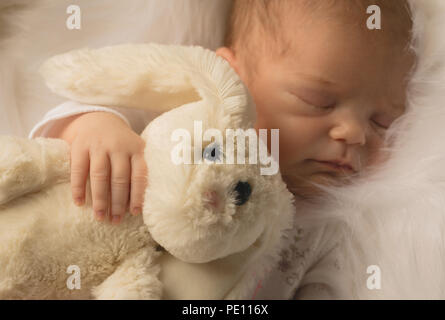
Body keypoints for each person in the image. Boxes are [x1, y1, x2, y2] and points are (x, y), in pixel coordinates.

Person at [29, 0, 415, 298]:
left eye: (381, 121)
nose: (354, 133)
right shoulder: (193, 126)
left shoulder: (331, 225)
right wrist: (96, 126)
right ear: (233, 76)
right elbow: (59, 133)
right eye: (318, 100)